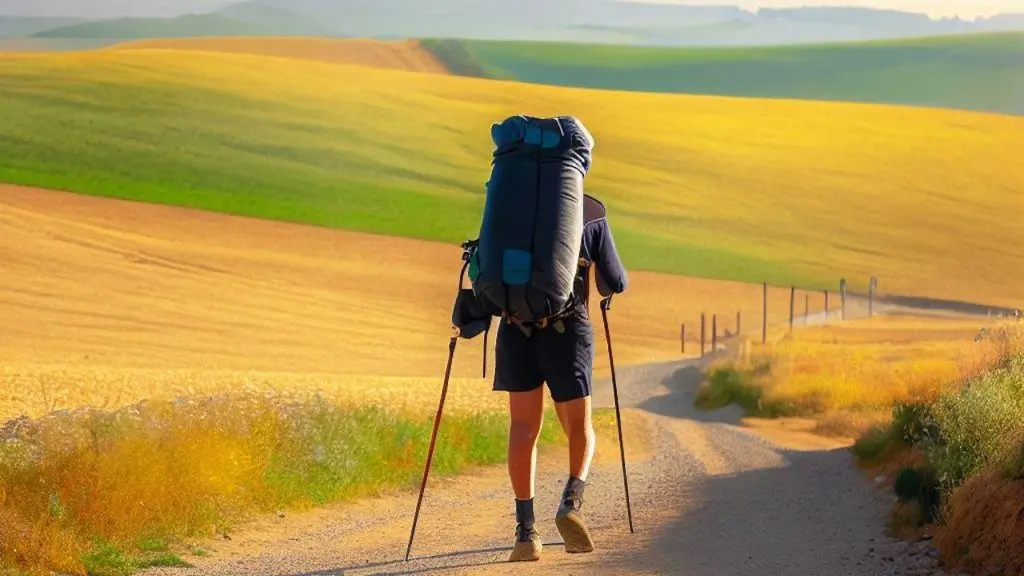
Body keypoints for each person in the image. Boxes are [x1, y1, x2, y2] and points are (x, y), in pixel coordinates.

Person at [492, 194, 628, 562]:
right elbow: (612, 281)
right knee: (579, 426)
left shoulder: (509, 199)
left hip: (514, 327)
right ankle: (571, 503)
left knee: (522, 427)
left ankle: (525, 533)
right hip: (567, 331)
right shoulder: (593, 213)